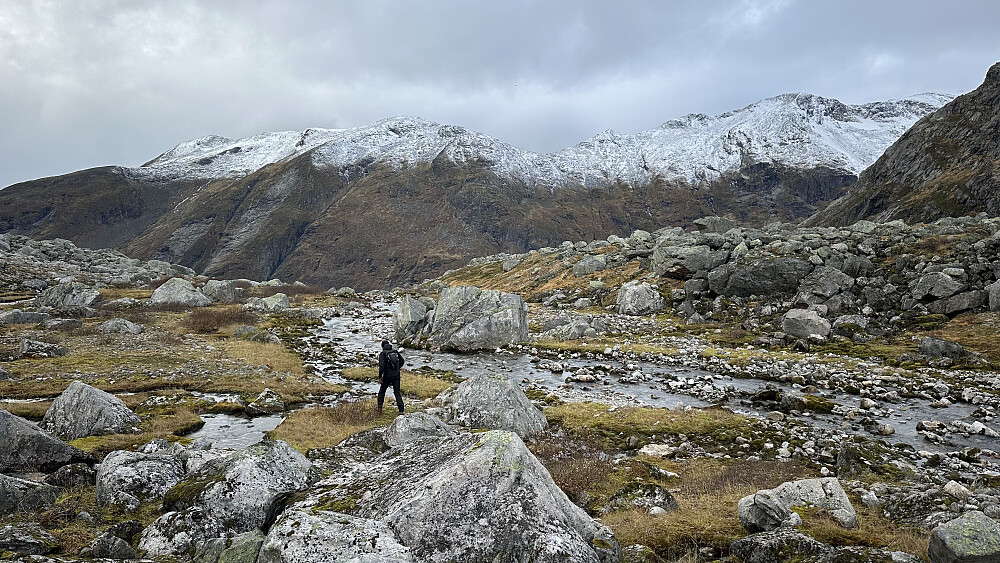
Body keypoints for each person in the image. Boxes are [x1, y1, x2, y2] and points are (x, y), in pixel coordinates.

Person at [377, 339, 405, 415]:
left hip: (387, 376)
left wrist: (380, 377)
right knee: (397, 392)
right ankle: (401, 410)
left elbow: (381, 366)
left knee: (382, 391)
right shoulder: (395, 352)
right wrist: (397, 368)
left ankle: (379, 409)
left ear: (382, 346)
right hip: (396, 375)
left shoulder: (383, 354)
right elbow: (402, 361)